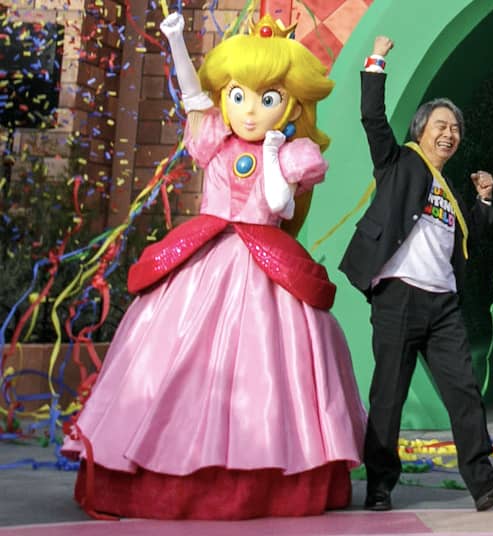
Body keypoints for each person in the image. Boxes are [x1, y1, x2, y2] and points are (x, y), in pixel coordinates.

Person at [61, 13, 366, 520]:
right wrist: (176, 39)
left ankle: (270, 468)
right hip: (203, 254)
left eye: (268, 98)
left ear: (291, 104)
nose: (249, 110)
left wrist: (274, 153)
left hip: (267, 265)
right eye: (239, 95)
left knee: (271, 365)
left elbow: (279, 204)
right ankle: (157, 461)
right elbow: (192, 94)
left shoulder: (294, 154)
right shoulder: (215, 139)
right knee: (169, 353)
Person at [338, 35, 493, 513]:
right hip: (398, 296)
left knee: (463, 390)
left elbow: (469, 235)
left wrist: (482, 199)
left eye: (456, 128)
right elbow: (372, 118)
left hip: (442, 303)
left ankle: (483, 481)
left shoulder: (449, 191)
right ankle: (379, 486)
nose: (450, 133)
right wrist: (377, 60)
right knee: (389, 395)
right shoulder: (398, 161)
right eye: (441, 125)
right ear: (421, 130)